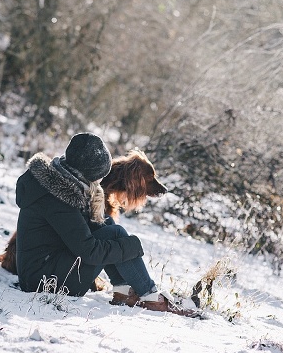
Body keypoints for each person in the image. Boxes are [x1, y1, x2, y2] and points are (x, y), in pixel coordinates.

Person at [15, 132, 197, 317]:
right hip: (44, 281)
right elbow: (89, 251)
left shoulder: (61, 183)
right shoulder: (58, 199)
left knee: (108, 224)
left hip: (45, 268)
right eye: (100, 175)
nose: (102, 180)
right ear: (88, 172)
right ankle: (150, 297)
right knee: (115, 235)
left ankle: (125, 291)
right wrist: (131, 246)